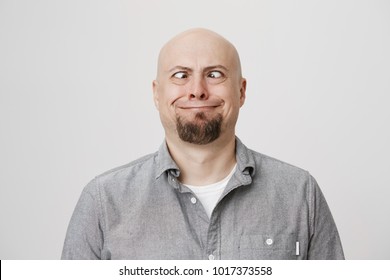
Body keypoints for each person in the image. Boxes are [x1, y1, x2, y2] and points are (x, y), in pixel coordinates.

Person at [61, 28, 344, 260]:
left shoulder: (299, 194)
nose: (197, 90)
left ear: (241, 91)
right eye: (181, 75)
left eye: (215, 74)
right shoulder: (102, 202)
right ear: (157, 94)